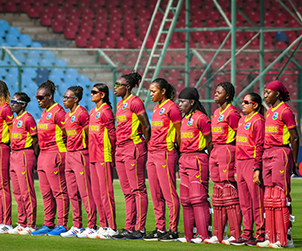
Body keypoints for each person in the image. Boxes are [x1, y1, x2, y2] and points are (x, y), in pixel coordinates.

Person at [257, 80, 299, 249]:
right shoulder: (269, 112)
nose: (265, 95)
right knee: (269, 196)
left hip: (281, 152)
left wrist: (295, 161)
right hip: (268, 153)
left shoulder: (285, 111)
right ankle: (271, 236)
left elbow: (295, 137)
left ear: (278, 94)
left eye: (268, 92)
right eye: (264, 92)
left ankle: (286, 239)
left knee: (281, 197)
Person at [112, 72, 150, 240]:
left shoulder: (135, 102)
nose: (115, 87)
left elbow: (146, 125)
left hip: (133, 147)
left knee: (138, 189)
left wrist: (145, 146)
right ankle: (129, 227)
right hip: (120, 149)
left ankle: (140, 229)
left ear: (127, 87)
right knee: (127, 191)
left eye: (118, 85)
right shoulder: (120, 104)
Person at [144, 78, 181, 241]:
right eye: (150, 91)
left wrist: (179, 151)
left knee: (169, 193)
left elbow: (179, 132)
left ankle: (172, 230)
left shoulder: (172, 108)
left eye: (154, 91)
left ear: (163, 91)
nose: (151, 94)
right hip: (152, 153)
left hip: (165, 153)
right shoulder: (157, 107)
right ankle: (160, 228)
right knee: (155, 193)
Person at [204, 82, 241, 245]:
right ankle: (219, 235)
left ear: (227, 95)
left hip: (228, 150)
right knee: (217, 193)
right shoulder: (216, 112)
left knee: (229, 192)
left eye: (219, 93)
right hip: (215, 151)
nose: (215, 95)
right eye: (215, 92)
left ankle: (235, 233)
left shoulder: (233, 113)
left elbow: (239, 135)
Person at [32, 80, 69, 236]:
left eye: (41, 98)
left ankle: (62, 224)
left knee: (59, 192)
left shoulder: (58, 112)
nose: (39, 101)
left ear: (50, 96)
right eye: (37, 98)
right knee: (46, 192)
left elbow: (68, 132)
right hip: (43, 155)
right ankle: (48, 223)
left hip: (55, 153)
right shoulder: (45, 112)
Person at [176, 87, 213, 244]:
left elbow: (210, 141)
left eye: (183, 102)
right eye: (179, 101)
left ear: (192, 102)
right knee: (185, 199)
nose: (179, 104)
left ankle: (203, 236)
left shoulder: (201, 119)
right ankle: (189, 235)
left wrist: (211, 160)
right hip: (184, 159)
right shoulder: (184, 119)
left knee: (198, 198)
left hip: (198, 158)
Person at [60, 86, 97, 238]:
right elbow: (65, 134)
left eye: (67, 98)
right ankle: (77, 226)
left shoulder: (82, 114)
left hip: (81, 154)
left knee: (85, 192)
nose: (64, 100)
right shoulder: (67, 115)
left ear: (75, 99)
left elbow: (90, 135)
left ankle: (92, 225)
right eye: (64, 97)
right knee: (72, 193)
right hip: (69, 155)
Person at [230, 92, 265, 246]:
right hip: (241, 163)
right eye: (242, 102)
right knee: (244, 202)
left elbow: (259, 145)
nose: (242, 104)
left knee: (256, 201)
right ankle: (247, 233)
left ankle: (261, 234)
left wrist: (257, 168)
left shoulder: (258, 121)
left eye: (246, 102)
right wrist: (237, 169)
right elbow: (239, 145)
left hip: (251, 163)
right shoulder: (242, 120)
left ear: (255, 105)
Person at [87, 83, 117, 239]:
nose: (91, 94)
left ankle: (112, 227)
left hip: (103, 155)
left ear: (103, 94)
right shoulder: (93, 111)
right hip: (92, 155)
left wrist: (112, 152)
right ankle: (103, 225)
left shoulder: (106, 112)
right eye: (91, 92)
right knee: (97, 193)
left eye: (94, 92)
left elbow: (112, 134)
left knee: (106, 193)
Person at [7, 92, 38, 235]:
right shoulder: (15, 119)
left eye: (15, 102)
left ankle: (31, 224)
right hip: (14, 155)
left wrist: (35, 157)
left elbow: (35, 139)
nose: (12, 104)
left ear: (23, 104)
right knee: (17, 192)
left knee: (26, 191)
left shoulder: (28, 119)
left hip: (25, 154)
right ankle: (22, 222)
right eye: (12, 101)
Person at [0, 81, 13, 233]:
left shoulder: (5, 109)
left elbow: (11, 130)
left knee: (3, 186)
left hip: (2, 147)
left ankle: (6, 222)